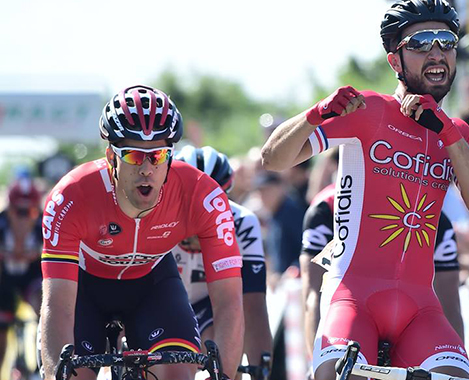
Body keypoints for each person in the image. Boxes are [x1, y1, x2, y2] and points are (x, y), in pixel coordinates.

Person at [260, 1, 469, 378]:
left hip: (420, 308)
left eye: (446, 41)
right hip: (354, 299)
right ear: (395, 61)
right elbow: (273, 159)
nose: (437, 52)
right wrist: (315, 114)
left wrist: (448, 132)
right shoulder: (368, 109)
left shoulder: (455, 132)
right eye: (421, 42)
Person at [39, 85, 244, 380]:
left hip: (152, 285)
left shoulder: (201, 195)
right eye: (135, 157)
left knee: (177, 374)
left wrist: (221, 375)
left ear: (171, 157)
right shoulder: (72, 196)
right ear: (112, 158)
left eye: (158, 156)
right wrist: (57, 372)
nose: (147, 169)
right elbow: (56, 304)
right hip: (84, 290)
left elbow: (229, 301)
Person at [300, 184, 465, 360]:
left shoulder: (432, 215)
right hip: (351, 309)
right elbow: (313, 294)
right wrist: (314, 361)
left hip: (409, 315)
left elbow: (450, 301)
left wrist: (458, 357)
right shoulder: (326, 208)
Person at [174, 145, 272, 366]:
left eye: (211, 204)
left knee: (225, 353)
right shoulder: (154, 216)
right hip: (161, 303)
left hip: (209, 305)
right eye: (189, 203)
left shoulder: (243, 222)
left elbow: (254, 304)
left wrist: (260, 368)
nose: (201, 214)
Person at [0, 172, 43, 375]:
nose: (25, 216)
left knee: (45, 306)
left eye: (31, 212)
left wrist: (33, 254)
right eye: (19, 211)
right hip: (5, 279)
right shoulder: (2, 222)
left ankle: (40, 366)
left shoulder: (43, 222)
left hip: (31, 278)